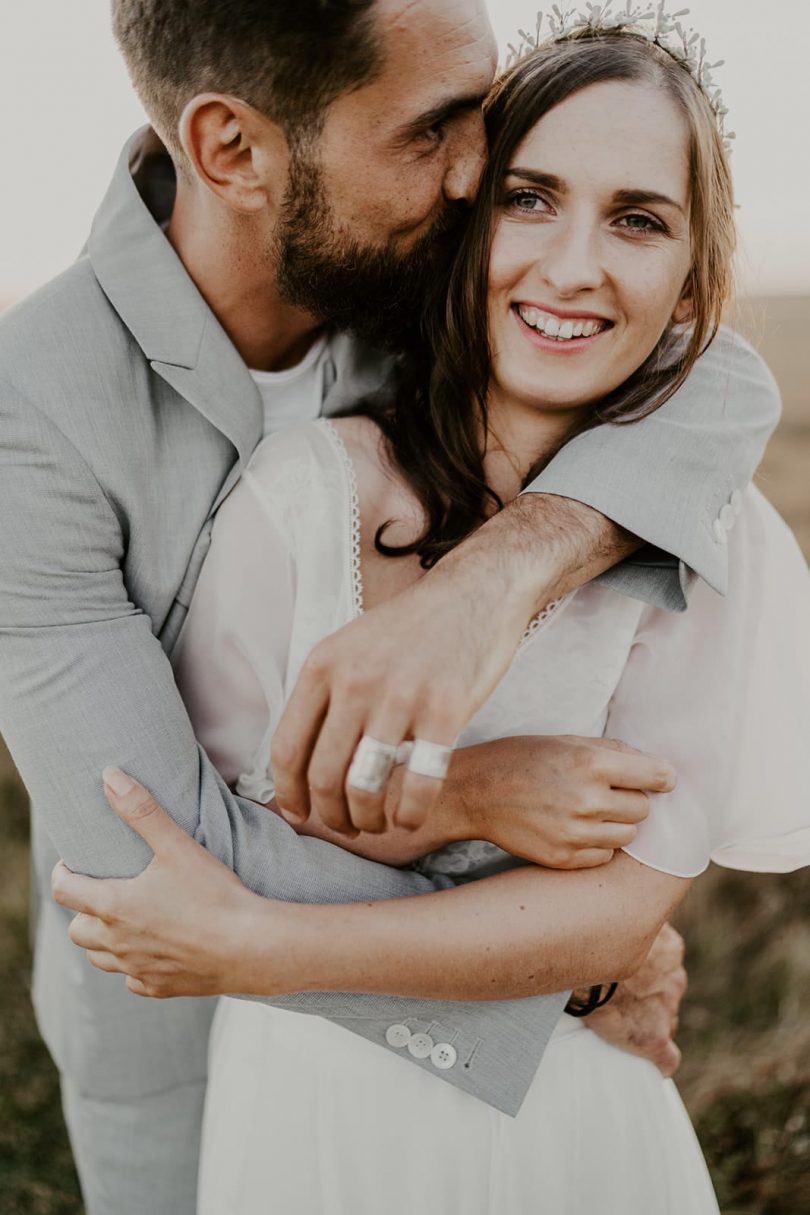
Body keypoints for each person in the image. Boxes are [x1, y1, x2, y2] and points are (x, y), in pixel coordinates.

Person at [0, 0, 781, 1211]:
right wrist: (543, 927)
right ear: (233, 151)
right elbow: (153, 851)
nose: (477, 171)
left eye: (479, 118)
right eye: (432, 132)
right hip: (184, 1020)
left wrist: (495, 575)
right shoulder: (28, 415)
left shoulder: (424, 271)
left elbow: (711, 368)